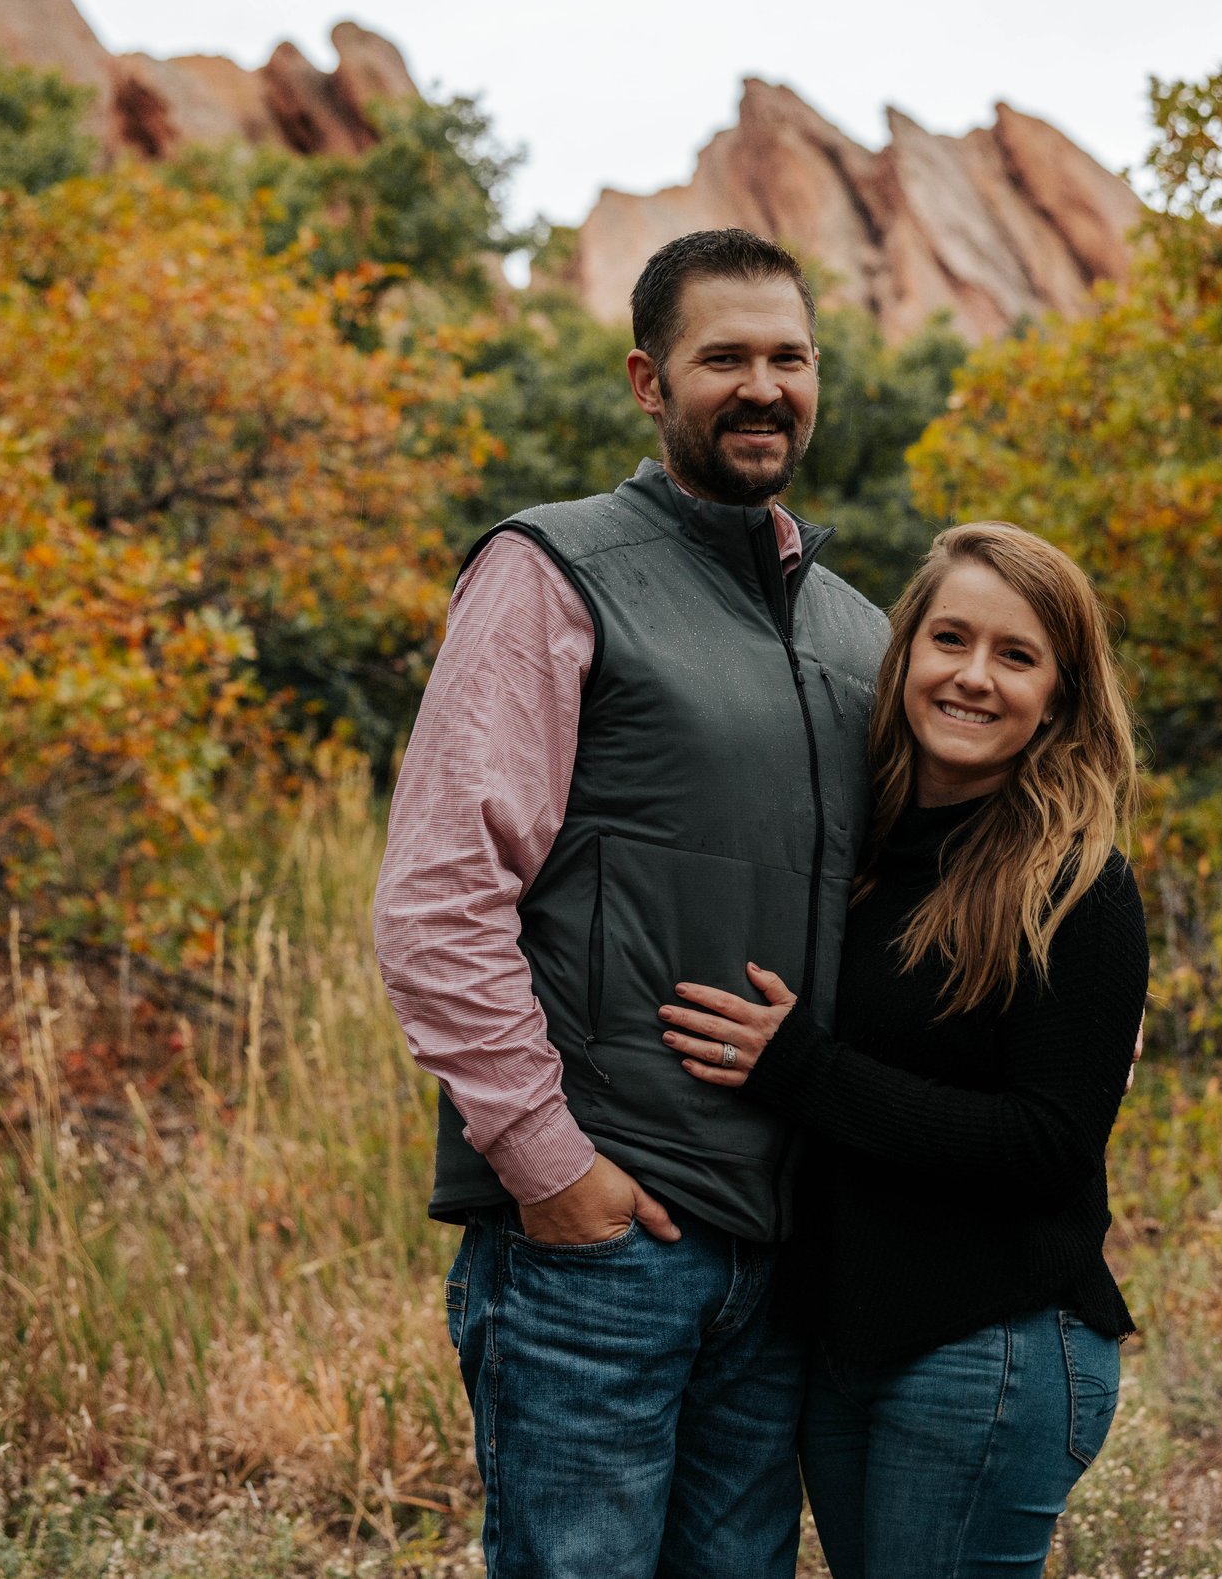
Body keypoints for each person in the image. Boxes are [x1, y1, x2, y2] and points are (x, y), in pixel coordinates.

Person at [372, 228, 889, 1579]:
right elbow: (437, 897)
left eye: (790, 356)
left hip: (781, 1250)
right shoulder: (551, 573)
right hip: (602, 1246)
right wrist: (552, 1168)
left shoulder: (858, 630)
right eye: (726, 357)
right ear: (650, 381)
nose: (763, 385)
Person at [656, 521, 1148, 1579]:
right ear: (904, 655)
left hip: (993, 1345)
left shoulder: (1074, 884)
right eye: (950, 639)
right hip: (848, 1348)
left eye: (1015, 656)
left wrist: (804, 1068)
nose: (973, 677)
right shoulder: (859, 847)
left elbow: (1048, 1141)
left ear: (1059, 694)